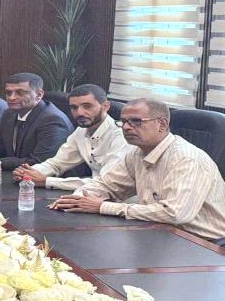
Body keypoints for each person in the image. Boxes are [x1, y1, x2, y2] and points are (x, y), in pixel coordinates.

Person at [51, 98, 225, 241]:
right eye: (124, 122)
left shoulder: (186, 158)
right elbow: (107, 184)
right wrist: (78, 199)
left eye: (136, 121)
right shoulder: (137, 153)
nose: (126, 127)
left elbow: (174, 213)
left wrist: (102, 207)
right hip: (160, 233)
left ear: (162, 124)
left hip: (204, 244)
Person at [12, 84, 131, 190]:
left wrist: (47, 181)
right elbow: (57, 163)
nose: (80, 113)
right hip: (94, 193)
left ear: (105, 106)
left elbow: (105, 182)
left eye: (87, 106)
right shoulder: (81, 131)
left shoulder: (122, 136)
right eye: (74, 107)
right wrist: (29, 173)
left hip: (122, 201)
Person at [0, 72, 73, 170]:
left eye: (20, 93)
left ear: (39, 95)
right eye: (8, 93)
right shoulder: (9, 114)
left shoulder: (53, 120)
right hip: (15, 176)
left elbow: (38, 162)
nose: (11, 97)